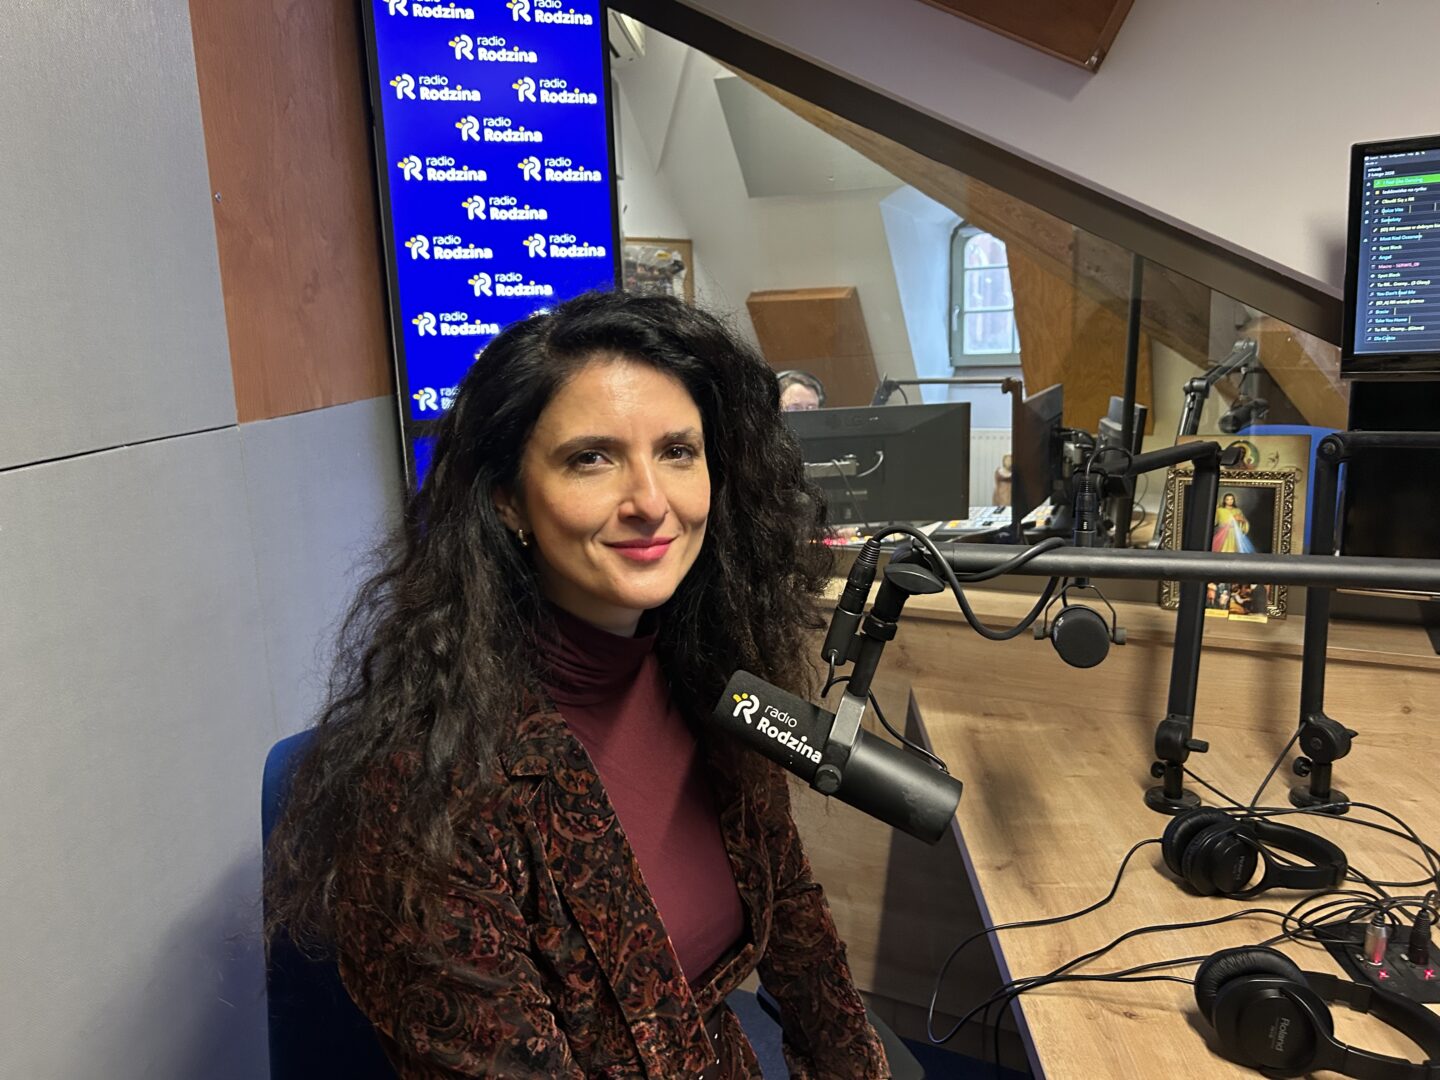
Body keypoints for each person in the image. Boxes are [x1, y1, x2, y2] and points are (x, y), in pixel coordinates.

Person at [264, 291, 888, 1079]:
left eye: (678, 451)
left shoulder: (711, 681)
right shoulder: (430, 789)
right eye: (591, 458)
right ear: (508, 500)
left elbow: (796, 924)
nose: (651, 503)